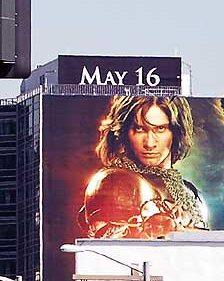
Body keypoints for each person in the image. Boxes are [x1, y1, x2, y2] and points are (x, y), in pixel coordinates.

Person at [79, 95, 208, 239]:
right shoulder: (113, 183)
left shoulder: (190, 191)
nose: (149, 143)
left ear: (176, 132)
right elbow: (112, 249)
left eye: (160, 128)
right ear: (124, 132)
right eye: (139, 129)